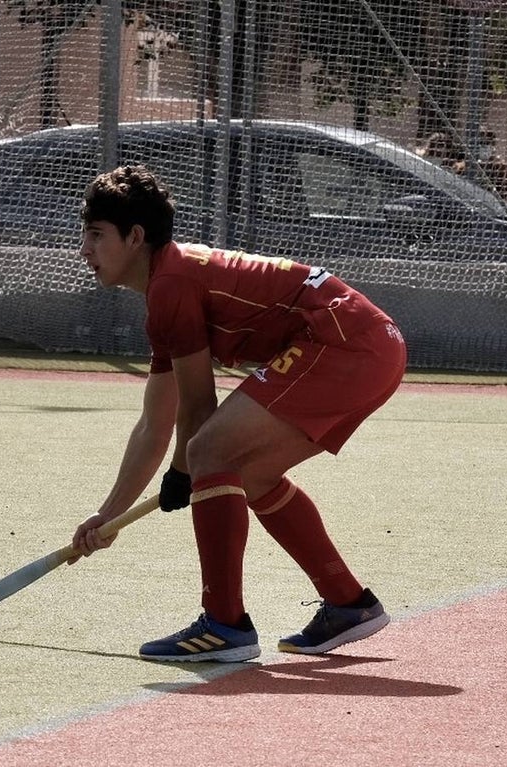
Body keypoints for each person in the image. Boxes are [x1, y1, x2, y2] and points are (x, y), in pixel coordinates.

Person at [68, 165, 407, 662]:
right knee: (249, 473)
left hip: (344, 342)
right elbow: (154, 423)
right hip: (369, 346)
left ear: (135, 237)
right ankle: (347, 602)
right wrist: (110, 514)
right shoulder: (167, 288)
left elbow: (199, 410)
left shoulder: (172, 284)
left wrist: (185, 471)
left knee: (210, 450)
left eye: (96, 235)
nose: (84, 250)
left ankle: (224, 625)